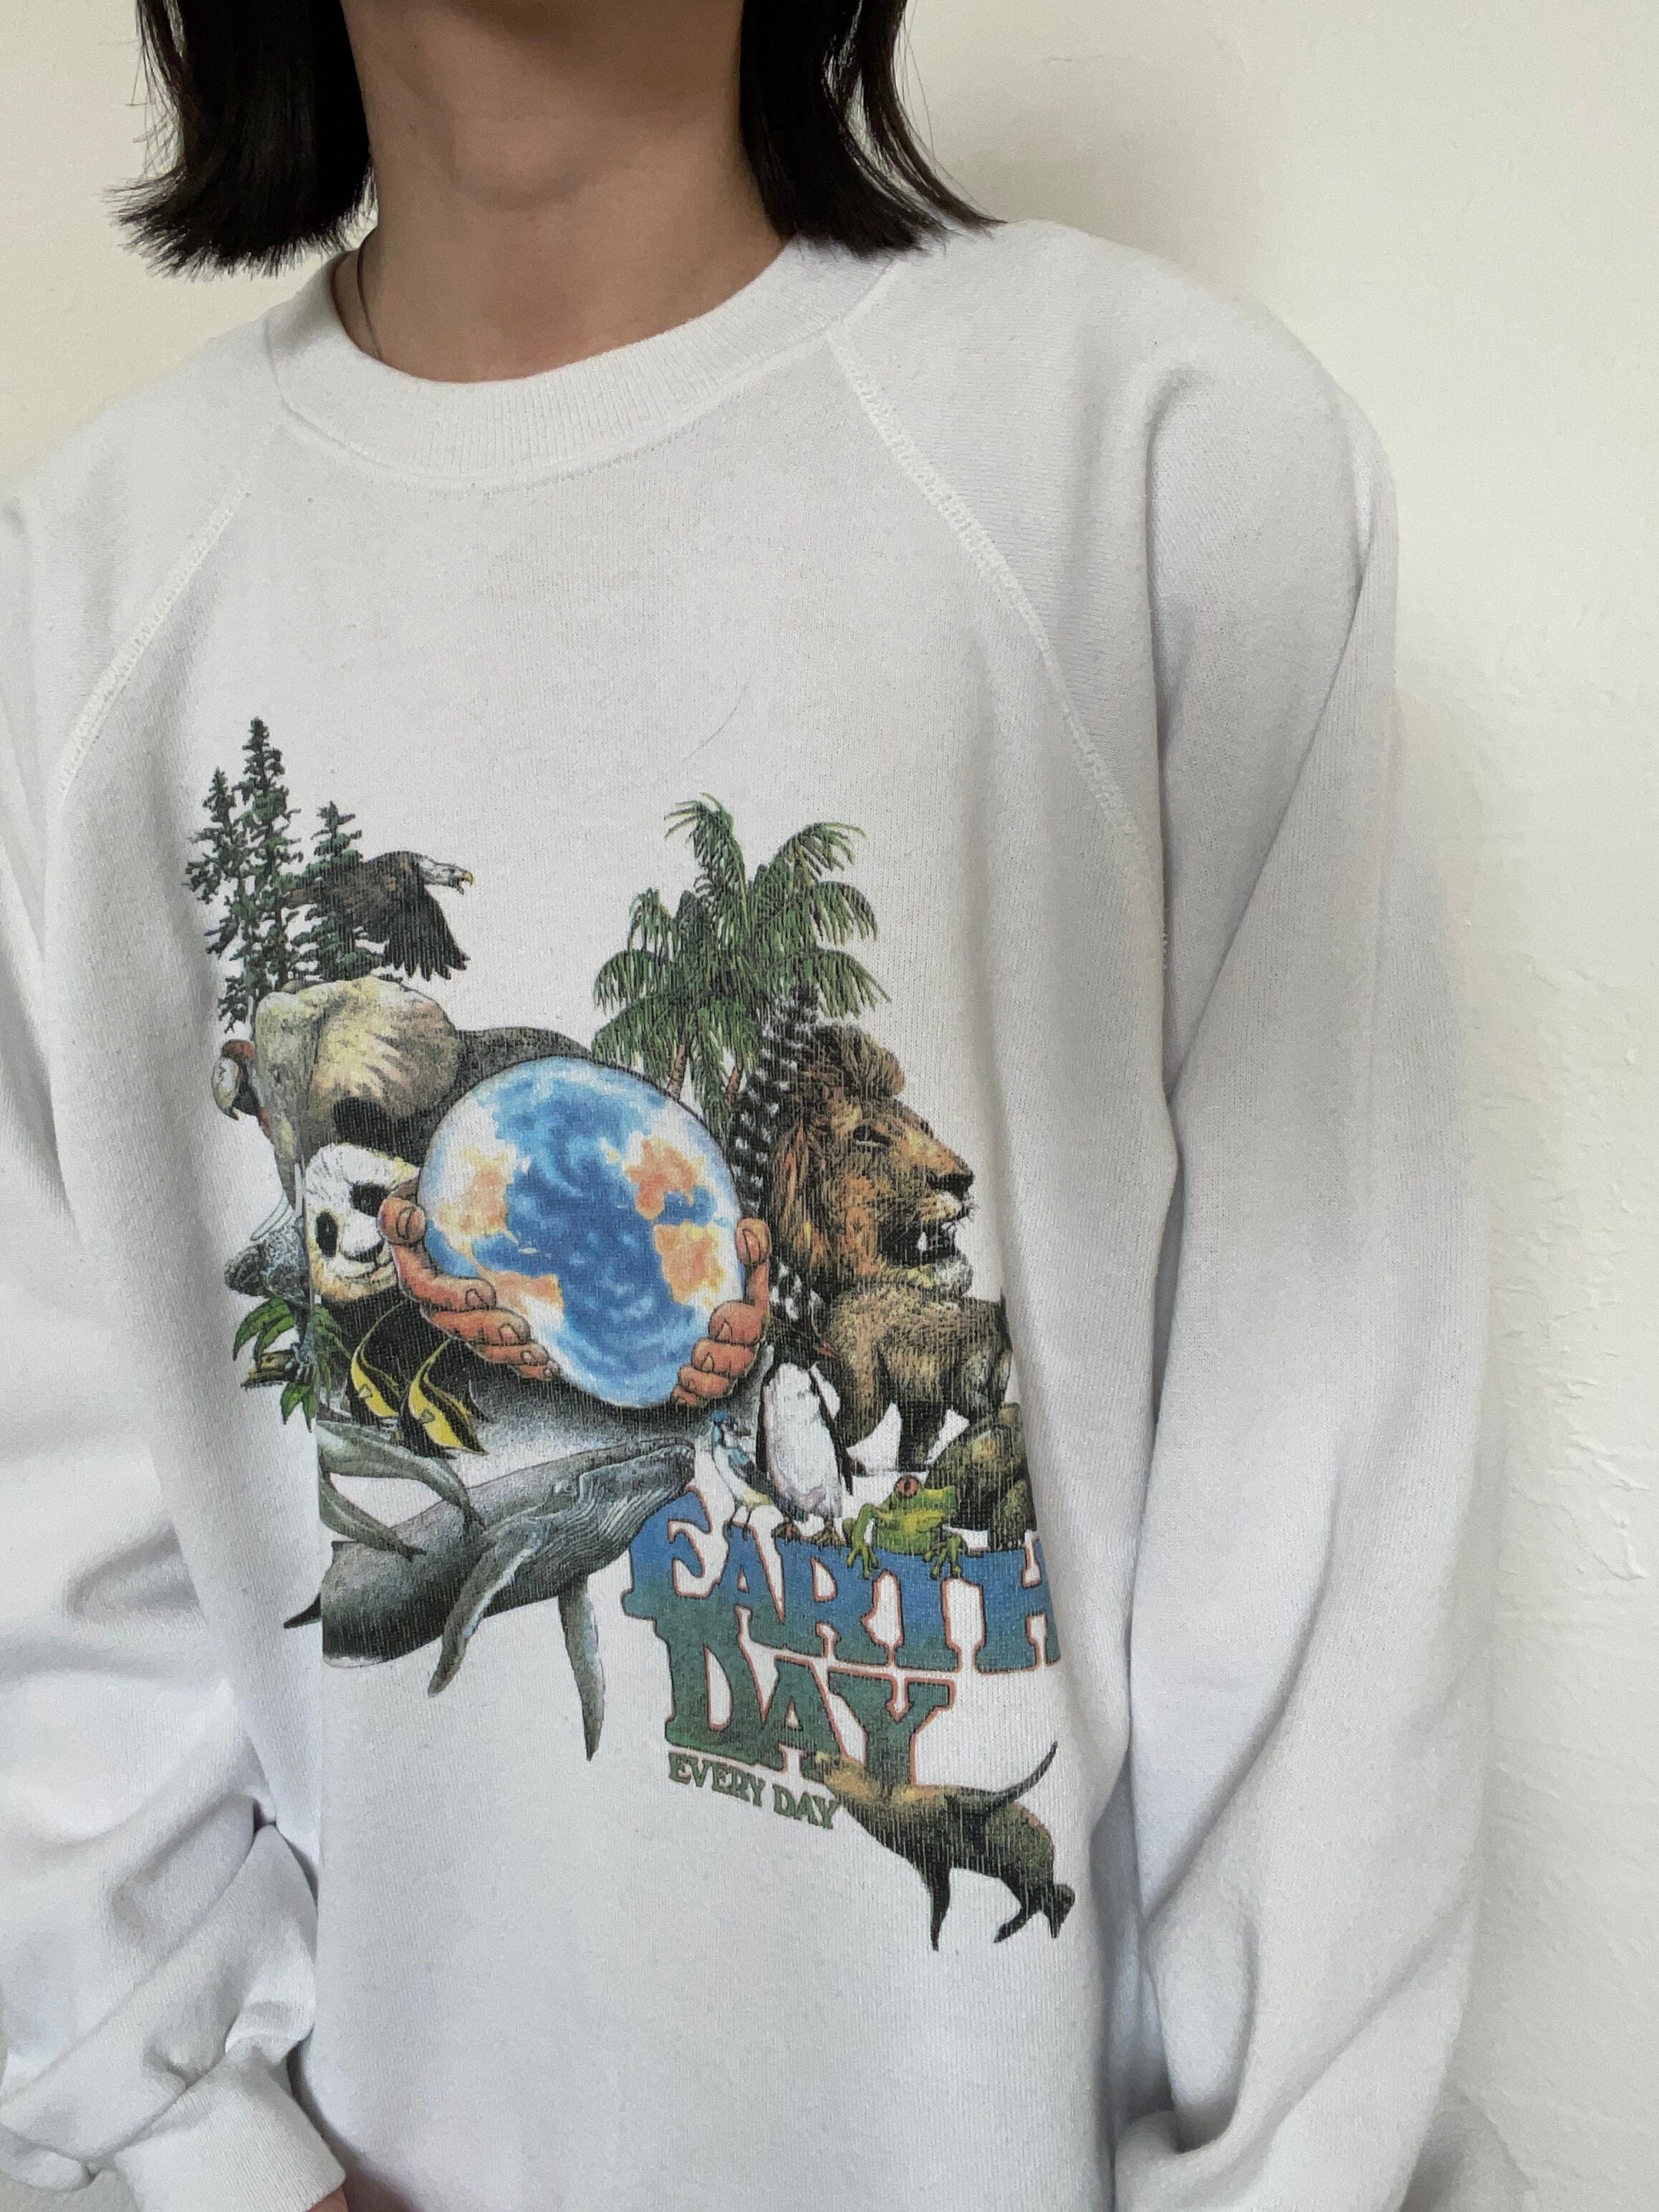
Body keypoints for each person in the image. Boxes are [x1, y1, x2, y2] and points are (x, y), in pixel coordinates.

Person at [0, 2, 1501, 2209]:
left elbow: (1324, 1520)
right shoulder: (76, 601)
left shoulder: (1154, 461)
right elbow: (56, 1572)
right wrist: (212, 2163)